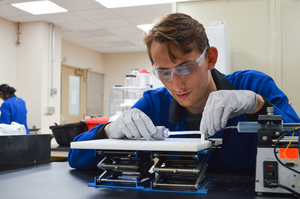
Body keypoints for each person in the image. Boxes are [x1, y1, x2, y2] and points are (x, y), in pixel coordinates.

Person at [68, 13, 300, 170]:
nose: (176, 85)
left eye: (185, 68)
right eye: (164, 73)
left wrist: (258, 106)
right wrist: (108, 132)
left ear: (210, 58)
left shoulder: (254, 86)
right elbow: (75, 157)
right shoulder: (152, 105)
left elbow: (296, 138)